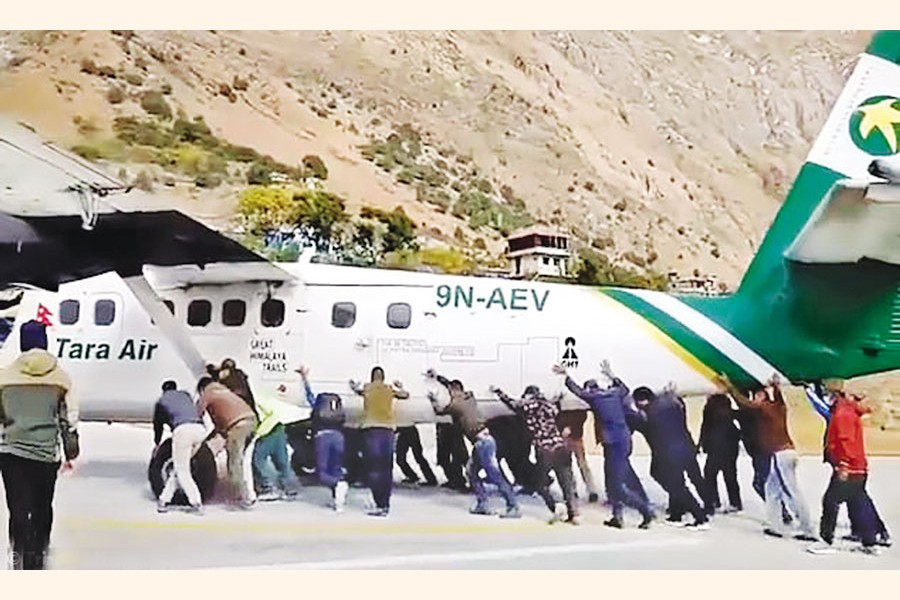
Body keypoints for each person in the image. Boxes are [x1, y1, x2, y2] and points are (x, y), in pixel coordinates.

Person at [0, 320, 79, 569]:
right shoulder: (61, 379)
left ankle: (18, 557)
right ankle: (36, 559)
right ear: (45, 343)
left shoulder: (4, 377)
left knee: (17, 509)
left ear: (22, 344)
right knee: (42, 507)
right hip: (45, 455)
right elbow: (68, 419)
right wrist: (71, 451)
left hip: (11, 454)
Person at [554, 360, 654, 529]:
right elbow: (625, 388)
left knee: (617, 485)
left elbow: (577, 390)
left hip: (613, 443)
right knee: (611, 481)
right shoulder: (614, 393)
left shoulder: (594, 398)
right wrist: (611, 374)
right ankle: (617, 516)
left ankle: (645, 511)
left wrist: (566, 375)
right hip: (623, 439)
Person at [718, 374, 817, 541]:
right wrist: (776, 386)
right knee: (772, 490)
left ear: (763, 398)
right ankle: (775, 525)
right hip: (786, 452)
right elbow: (779, 398)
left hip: (779, 454)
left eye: (758, 395)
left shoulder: (762, 409)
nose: (755, 398)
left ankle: (807, 529)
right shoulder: (778, 407)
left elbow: (744, 402)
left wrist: (729, 386)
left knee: (791, 491)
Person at [805, 382, 891, 548]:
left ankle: (826, 540)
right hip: (858, 467)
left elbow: (846, 442)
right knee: (859, 501)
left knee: (831, 501)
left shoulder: (843, 414)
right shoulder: (849, 412)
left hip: (849, 467)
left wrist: (844, 464)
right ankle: (870, 540)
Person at [425, 369, 520, 518]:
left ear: (454, 391)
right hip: (483, 442)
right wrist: (438, 377)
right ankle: (483, 503)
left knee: (494, 476)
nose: (449, 394)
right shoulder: (470, 398)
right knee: (471, 472)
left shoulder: (456, 404)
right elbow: (452, 385)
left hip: (483, 444)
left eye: (450, 392)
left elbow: (439, 411)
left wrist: (433, 399)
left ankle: (512, 506)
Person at [493, 384, 578, 524]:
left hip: (545, 450)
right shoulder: (550, 406)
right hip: (561, 448)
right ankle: (573, 514)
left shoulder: (527, 406)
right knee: (566, 484)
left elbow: (511, 403)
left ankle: (555, 506)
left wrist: (498, 392)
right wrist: (559, 399)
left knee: (539, 483)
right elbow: (557, 408)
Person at [631, 386, 710, 531]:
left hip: (669, 454)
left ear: (642, 402)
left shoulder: (651, 415)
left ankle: (700, 517)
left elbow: (644, 427)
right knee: (682, 481)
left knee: (676, 485)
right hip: (685, 447)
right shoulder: (672, 406)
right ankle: (677, 513)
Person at [349, 366, 409, 517]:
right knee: (386, 469)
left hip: (372, 430)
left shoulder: (367, 388)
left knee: (374, 468)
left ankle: (379, 503)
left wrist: (353, 386)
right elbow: (405, 395)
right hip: (388, 431)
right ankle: (385, 505)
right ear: (383, 377)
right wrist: (400, 386)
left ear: (372, 377)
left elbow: (357, 391)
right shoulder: (389, 389)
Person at [197, 376, 258, 509]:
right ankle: (248, 493)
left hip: (238, 426)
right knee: (243, 461)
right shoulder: (225, 391)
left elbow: (198, 412)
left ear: (201, 389)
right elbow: (223, 421)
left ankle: (243, 497)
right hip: (251, 421)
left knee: (234, 463)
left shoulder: (208, 392)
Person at [297, 366, 349, 512]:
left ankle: (338, 485)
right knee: (335, 469)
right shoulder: (337, 407)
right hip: (339, 437)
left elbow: (309, 395)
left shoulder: (317, 405)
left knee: (322, 473)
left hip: (323, 437)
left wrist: (304, 378)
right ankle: (338, 502)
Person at [153, 380, 207, 514]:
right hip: (200, 430)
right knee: (178, 468)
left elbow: (158, 425)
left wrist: (157, 444)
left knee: (182, 470)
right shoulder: (185, 395)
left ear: (164, 391)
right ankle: (164, 500)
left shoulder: (162, 401)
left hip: (183, 431)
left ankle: (196, 502)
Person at [251, 386, 301, 502]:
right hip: (279, 427)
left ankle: (269, 488)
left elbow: (271, 415)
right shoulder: (258, 396)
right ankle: (290, 488)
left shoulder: (253, 401)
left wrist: (258, 433)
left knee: (258, 459)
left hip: (269, 430)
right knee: (281, 460)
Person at [698, 392, 742, 514]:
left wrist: (702, 444)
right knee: (730, 476)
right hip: (729, 449)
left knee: (710, 475)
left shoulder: (710, 411)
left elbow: (705, 428)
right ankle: (735, 502)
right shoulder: (727, 410)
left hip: (716, 449)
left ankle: (714, 501)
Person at [557, 406, 600, 503]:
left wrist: (564, 427)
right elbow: (582, 417)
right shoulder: (579, 407)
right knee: (581, 464)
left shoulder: (561, 405)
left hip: (568, 437)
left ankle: (574, 489)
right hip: (576, 436)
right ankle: (590, 489)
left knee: (569, 465)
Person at [436, 420, 469, 491]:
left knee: (457, 457)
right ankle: (454, 479)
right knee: (444, 458)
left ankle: (458, 480)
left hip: (452, 429)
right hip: (445, 428)